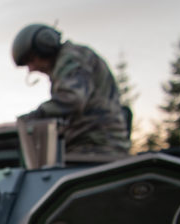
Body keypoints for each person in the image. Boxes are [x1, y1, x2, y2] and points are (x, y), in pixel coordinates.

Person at [11, 23, 130, 157]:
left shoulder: (72, 58)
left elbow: (72, 99)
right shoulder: (67, 62)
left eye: (31, 60)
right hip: (88, 144)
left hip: (95, 146)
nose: (31, 69)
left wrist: (27, 121)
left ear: (45, 47)